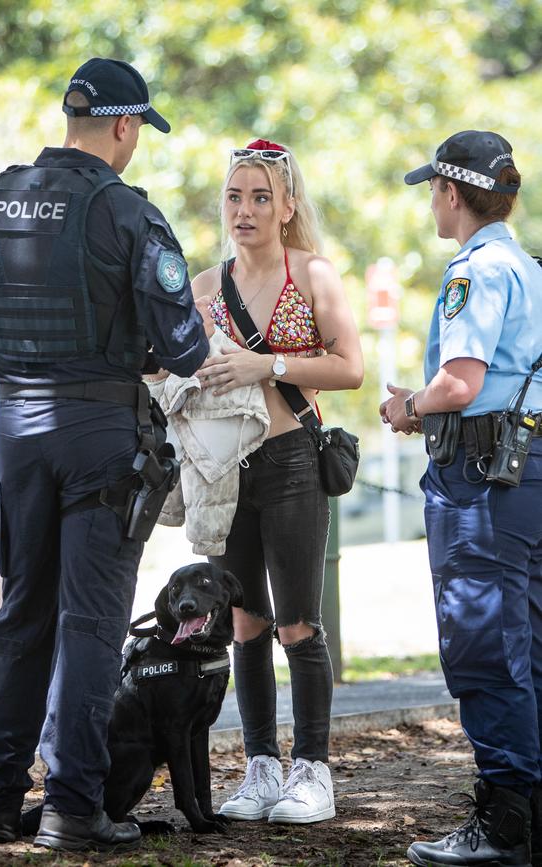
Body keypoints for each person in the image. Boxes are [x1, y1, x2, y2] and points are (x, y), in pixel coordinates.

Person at [0, 58, 212, 852]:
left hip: (17, 436)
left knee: (18, 621)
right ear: (125, 127)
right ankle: (72, 807)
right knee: (90, 624)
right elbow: (183, 349)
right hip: (101, 444)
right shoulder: (127, 214)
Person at [380, 130, 542, 867]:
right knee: (530, 644)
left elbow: (460, 383)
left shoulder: (475, 271)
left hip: (480, 480)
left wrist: (407, 405)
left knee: (482, 645)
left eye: (434, 190)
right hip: (529, 467)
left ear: (451, 191)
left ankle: (504, 821)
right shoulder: (533, 268)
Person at [192, 139, 363, 824]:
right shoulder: (204, 287)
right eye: (235, 196)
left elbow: (350, 368)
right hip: (220, 468)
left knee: (298, 623)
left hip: (293, 460)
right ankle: (261, 765)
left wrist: (269, 367)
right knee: (243, 621)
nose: (246, 209)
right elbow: (171, 365)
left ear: (288, 207)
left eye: (261, 196)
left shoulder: (313, 274)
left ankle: (313, 770)